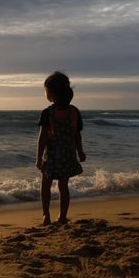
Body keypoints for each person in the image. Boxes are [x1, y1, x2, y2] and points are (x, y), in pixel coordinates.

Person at [35, 71, 86, 226]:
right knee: (63, 187)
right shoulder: (74, 112)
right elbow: (77, 134)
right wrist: (80, 151)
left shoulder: (47, 113)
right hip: (68, 155)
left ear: (50, 93)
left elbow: (42, 137)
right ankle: (62, 216)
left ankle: (46, 215)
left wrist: (38, 157)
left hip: (51, 156)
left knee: (46, 185)